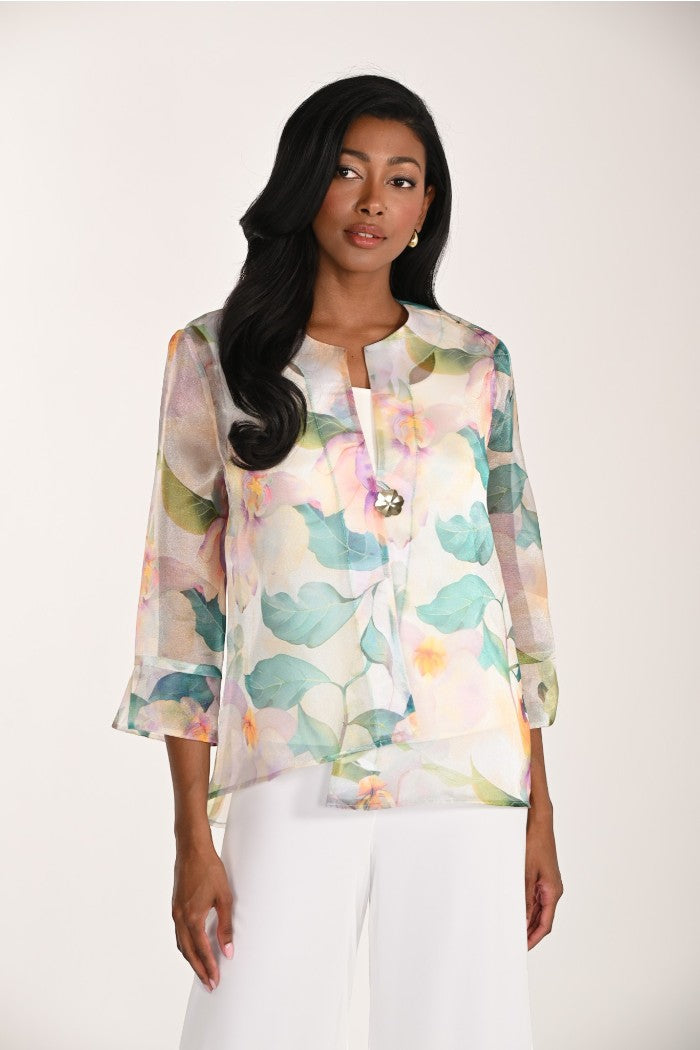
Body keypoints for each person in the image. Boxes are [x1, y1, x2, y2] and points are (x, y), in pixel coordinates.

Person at [112, 73, 564, 1049]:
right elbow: (182, 601)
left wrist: (539, 811)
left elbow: (515, 590)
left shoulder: (475, 363)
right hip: (289, 757)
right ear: (306, 181)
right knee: (252, 1024)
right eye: (348, 171)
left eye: (401, 179)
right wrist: (191, 839)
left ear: (426, 205)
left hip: (467, 764)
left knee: (465, 1033)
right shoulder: (216, 358)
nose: (372, 201)